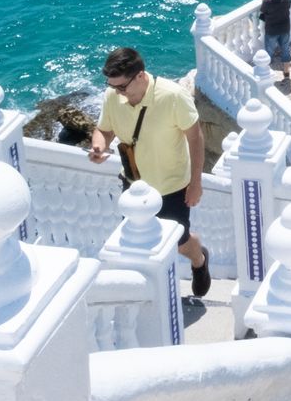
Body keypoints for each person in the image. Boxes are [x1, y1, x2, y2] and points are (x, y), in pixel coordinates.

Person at [87, 47, 211, 297]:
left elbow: (195, 138)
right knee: (137, 242)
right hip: (134, 186)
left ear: (140, 76)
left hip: (172, 185)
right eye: (112, 86)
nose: (117, 92)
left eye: (122, 87)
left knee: (179, 242)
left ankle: (199, 257)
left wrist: (195, 182)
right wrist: (99, 144)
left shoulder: (173, 96)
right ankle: (151, 296)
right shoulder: (113, 95)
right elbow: (104, 129)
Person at [259, 0, 291, 80]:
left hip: (272, 31)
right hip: (285, 29)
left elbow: (263, 10)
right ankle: (286, 72)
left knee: (269, 52)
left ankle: (266, 74)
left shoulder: (268, 1)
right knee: (285, 49)